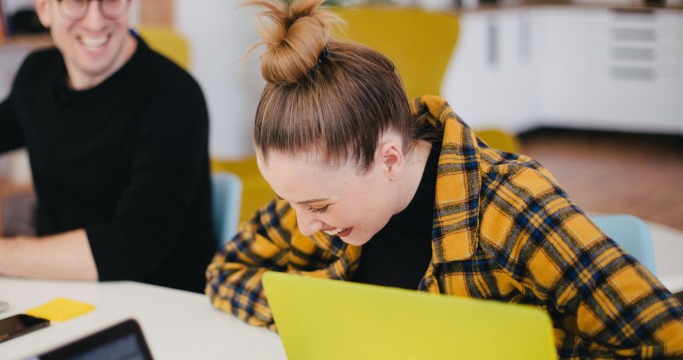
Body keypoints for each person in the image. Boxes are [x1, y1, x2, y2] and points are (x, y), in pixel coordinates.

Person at [205, 0, 683, 357]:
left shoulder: (510, 204)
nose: (303, 225)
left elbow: (665, 341)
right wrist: (333, 316)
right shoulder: (322, 198)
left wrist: (514, 346)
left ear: (389, 158)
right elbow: (225, 274)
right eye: (291, 202)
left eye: (319, 207)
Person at [0, 0, 216, 293]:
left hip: (161, 307)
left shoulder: (174, 97)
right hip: (62, 292)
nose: (94, 21)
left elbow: (134, 244)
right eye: (75, 1)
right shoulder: (38, 74)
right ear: (44, 9)